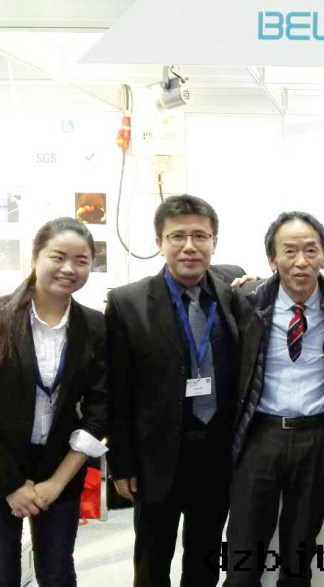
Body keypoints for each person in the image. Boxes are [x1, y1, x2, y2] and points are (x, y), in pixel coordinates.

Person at [0, 217, 107, 587]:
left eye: (81, 261)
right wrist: (12, 486)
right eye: (58, 257)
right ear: (34, 259)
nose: (69, 268)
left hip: (59, 469)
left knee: (58, 574)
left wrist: (58, 482)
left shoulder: (95, 325)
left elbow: (100, 409)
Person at [106, 195, 244, 587]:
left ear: (214, 241)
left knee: (205, 559)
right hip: (156, 458)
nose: (189, 246)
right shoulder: (127, 302)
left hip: (216, 454)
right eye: (177, 236)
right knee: (152, 561)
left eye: (200, 236)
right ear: (159, 242)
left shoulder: (234, 289)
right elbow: (117, 391)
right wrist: (121, 463)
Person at [225, 211, 324, 587]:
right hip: (259, 436)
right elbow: (210, 278)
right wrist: (242, 277)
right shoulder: (246, 298)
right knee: (243, 555)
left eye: (311, 250)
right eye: (289, 251)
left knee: (299, 556)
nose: (301, 261)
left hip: (315, 439)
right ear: (272, 259)